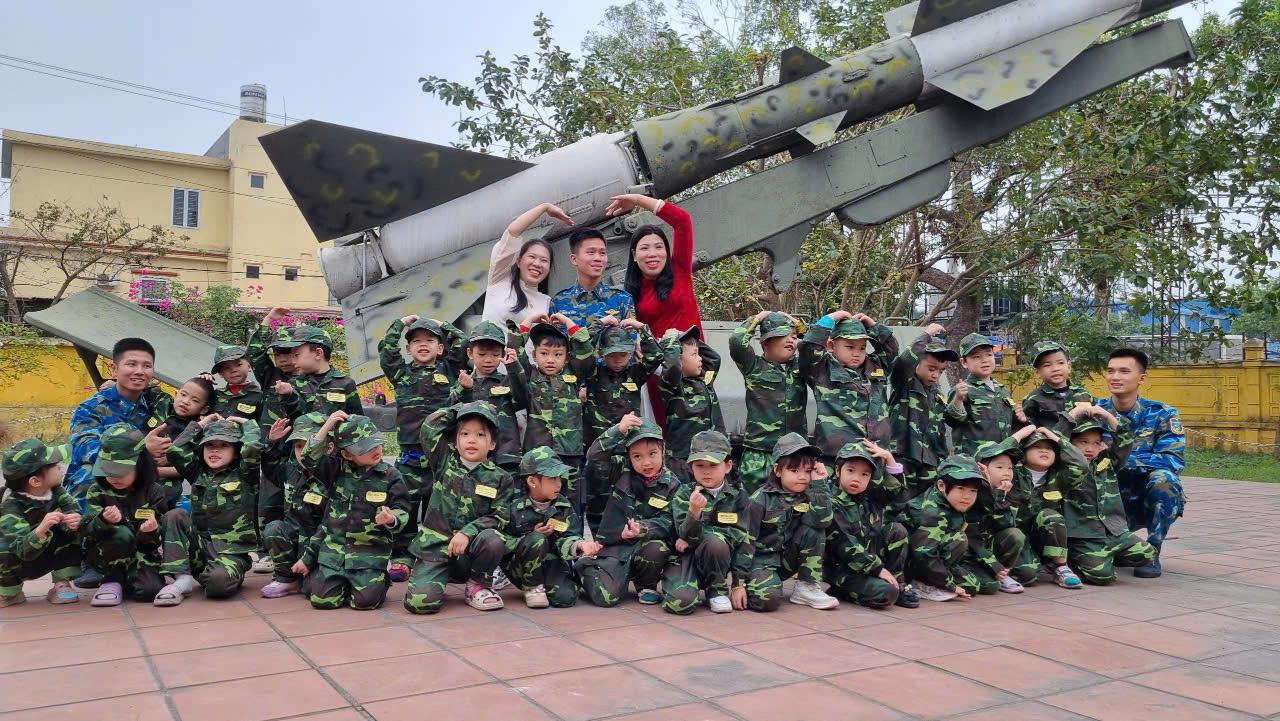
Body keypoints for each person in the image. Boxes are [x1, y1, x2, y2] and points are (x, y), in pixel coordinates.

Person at [67, 337, 171, 588]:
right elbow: (84, 448)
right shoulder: (93, 407)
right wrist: (140, 450)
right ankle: (90, 555)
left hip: (145, 477)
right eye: (131, 364)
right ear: (114, 369)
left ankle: (163, 552)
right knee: (87, 475)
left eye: (147, 366)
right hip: (108, 476)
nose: (139, 371)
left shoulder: (157, 403)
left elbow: (189, 411)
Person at [379, 314, 467, 581]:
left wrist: (442, 325)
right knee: (403, 505)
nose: (423, 345)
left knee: (438, 509)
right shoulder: (401, 373)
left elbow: (462, 343)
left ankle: (433, 557)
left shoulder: (449, 370)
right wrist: (400, 323)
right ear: (408, 349)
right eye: (416, 341)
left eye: (430, 340)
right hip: (410, 456)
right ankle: (402, 558)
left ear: (440, 348)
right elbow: (386, 350)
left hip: (440, 457)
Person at [405, 401, 515, 614]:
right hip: (436, 548)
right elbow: (429, 427)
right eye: (464, 434)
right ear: (456, 441)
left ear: (492, 444)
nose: (471, 440)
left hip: (471, 551)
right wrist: (462, 408)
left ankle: (477, 585)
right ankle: (437, 578)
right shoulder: (444, 462)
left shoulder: (501, 478)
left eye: (480, 435)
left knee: (493, 538)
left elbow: (499, 517)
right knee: (420, 604)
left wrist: (467, 532)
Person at [293, 413, 409, 610]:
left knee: (365, 603)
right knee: (322, 601)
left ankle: (378, 581)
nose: (375, 450)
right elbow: (309, 458)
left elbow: (402, 508)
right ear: (347, 454)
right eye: (365, 447)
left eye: (376, 443)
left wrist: (391, 518)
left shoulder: (391, 476)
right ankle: (336, 581)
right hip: (334, 554)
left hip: (368, 555)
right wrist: (327, 425)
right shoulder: (335, 471)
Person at [610, 193, 703, 423]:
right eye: (644, 248)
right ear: (634, 255)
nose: (652, 254)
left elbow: (683, 221)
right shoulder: (629, 293)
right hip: (660, 372)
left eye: (658, 247)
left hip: (694, 365)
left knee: (700, 430)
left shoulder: (680, 269)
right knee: (665, 429)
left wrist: (637, 199)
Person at [1096, 347, 1186, 578]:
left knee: (1164, 480)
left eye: (1124, 371)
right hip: (1105, 497)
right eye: (1111, 371)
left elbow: (1171, 460)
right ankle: (1113, 545)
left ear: (1142, 378)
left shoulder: (1162, 414)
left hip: (1143, 497)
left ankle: (1152, 550)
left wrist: (1115, 459)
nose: (1115, 377)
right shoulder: (1095, 412)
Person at [579, 414, 683, 607]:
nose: (646, 463)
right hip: (614, 548)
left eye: (652, 454)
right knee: (606, 598)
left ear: (663, 450)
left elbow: (670, 521)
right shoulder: (618, 470)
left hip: (644, 545)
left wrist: (642, 529)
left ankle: (646, 585)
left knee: (657, 547)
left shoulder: (672, 484)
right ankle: (584, 566)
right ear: (628, 456)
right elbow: (594, 457)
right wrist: (617, 431)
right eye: (637, 456)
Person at [156, 415, 261, 606]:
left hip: (231, 552)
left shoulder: (245, 474)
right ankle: (182, 578)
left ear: (236, 451)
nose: (214, 450)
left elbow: (253, 447)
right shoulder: (197, 472)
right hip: (200, 548)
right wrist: (201, 424)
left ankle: (221, 574)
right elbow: (175, 450)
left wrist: (248, 424)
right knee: (175, 515)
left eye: (224, 445)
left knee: (217, 586)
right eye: (209, 445)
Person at [1057, 405, 1158, 585]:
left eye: (1096, 443)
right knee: (1102, 576)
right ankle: (1076, 559)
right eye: (1083, 442)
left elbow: (1125, 440)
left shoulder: (1107, 462)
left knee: (1148, 553)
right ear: (1071, 442)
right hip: (1084, 535)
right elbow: (1056, 439)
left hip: (1113, 532)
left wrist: (1106, 415)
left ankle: (1105, 556)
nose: (1090, 448)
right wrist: (1074, 413)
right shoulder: (1063, 465)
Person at [508, 315, 596, 511]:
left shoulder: (573, 375)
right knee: (536, 499)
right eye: (544, 353)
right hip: (538, 451)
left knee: (570, 501)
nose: (550, 360)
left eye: (558, 354)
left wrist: (567, 322)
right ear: (534, 355)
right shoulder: (530, 375)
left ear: (567, 357)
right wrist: (530, 320)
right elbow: (514, 350)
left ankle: (571, 530)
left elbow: (586, 355)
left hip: (569, 451)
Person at [742, 433, 839, 611]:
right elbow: (745, 543)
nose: (802, 477)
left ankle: (806, 586)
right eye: (794, 471)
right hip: (762, 562)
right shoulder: (759, 500)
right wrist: (738, 583)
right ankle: (763, 584)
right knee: (768, 600)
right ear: (778, 470)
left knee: (815, 529)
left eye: (807, 471)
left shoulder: (811, 493)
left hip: (788, 560)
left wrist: (819, 484)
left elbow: (822, 522)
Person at [663, 430, 753, 615]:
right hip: (686, 558)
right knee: (681, 604)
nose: (706, 471)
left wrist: (739, 584)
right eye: (699, 465)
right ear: (691, 467)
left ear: (728, 466)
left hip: (717, 560)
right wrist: (694, 511)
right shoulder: (685, 493)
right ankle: (685, 586)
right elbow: (681, 534)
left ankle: (717, 591)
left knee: (715, 543)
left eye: (713, 465)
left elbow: (742, 539)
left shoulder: (739, 497)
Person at [502, 447, 601, 608]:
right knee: (537, 538)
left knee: (566, 598)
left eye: (560, 478)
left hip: (551, 561)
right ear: (532, 481)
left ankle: (550, 583)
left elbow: (569, 535)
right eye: (552, 478)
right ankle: (532, 587)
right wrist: (528, 539)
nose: (559, 484)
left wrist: (580, 545)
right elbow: (502, 541)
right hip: (520, 567)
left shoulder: (564, 506)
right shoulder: (515, 508)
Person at [825, 440, 918, 609]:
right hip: (844, 569)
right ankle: (842, 590)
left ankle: (898, 583)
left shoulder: (869, 497)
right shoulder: (831, 502)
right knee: (887, 593)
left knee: (896, 530)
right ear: (838, 470)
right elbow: (846, 545)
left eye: (865, 474)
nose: (856, 478)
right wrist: (878, 569)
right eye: (850, 470)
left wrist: (889, 458)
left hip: (869, 561)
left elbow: (897, 493)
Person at [82, 425, 169, 606]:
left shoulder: (154, 492)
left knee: (149, 592)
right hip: (107, 554)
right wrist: (103, 520)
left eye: (121, 470)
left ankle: (129, 578)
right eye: (109, 470)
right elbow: (86, 531)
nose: (115, 477)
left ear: (140, 465)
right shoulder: (97, 491)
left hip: (142, 552)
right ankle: (112, 579)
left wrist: (151, 531)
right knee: (120, 533)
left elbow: (155, 540)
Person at [801, 310, 898, 462]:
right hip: (837, 458)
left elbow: (891, 350)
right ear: (831, 346)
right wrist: (831, 318)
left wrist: (873, 326)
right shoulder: (821, 369)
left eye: (862, 348)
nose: (857, 353)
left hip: (875, 455)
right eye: (850, 347)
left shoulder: (876, 366)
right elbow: (809, 349)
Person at [260, 413, 339, 599]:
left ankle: (309, 575)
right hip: (297, 538)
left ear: (328, 447)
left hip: (323, 543)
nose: (302, 453)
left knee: (312, 589)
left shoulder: (334, 475)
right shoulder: (292, 470)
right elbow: (270, 468)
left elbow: (330, 526)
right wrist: (272, 443)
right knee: (274, 529)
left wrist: (309, 557)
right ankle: (287, 579)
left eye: (309, 445)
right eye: (298, 446)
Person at [731, 311, 809, 494]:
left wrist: (797, 323)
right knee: (753, 503)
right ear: (765, 343)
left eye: (794, 336)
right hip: (760, 454)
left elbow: (816, 344)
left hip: (794, 455)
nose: (790, 340)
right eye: (783, 335)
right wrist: (758, 318)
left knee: (794, 503)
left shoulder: (801, 367)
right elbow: (737, 341)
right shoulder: (754, 366)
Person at [0, 439, 80, 607]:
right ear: (35, 481)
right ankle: (10, 593)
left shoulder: (56, 490)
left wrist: (74, 518)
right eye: (55, 466)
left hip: (48, 554)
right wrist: (40, 530)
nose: (61, 467)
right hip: (20, 561)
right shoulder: (11, 506)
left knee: (71, 529)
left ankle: (62, 582)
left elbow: (73, 507)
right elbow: (20, 549)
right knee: (3, 545)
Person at [899, 456, 985, 602]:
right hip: (911, 563)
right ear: (941, 485)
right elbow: (923, 553)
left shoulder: (951, 500)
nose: (967, 496)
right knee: (958, 538)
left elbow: (984, 511)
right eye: (960, 488)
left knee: (973, 586)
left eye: (973, 491)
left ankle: (937, 578)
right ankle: (922, 583)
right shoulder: (933, 511)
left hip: (932, 556)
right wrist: (949, 584)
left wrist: (991, 487)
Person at [887, 324, 957, 499]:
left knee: (928, 506)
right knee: (899, 503)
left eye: (941, 371)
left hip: (930, 462)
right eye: (931, 369)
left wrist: (943, 461)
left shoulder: (938, 395)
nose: (936, 375)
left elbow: (940, 432)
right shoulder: (905, 384)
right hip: (903, 457)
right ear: (917, 363)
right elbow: (902, 363)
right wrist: (925, 335)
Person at [458, 321, 526, 475]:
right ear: (470, 353)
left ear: (503, 354)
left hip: (506, 456)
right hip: (472, 458)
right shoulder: (464, 381)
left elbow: (523, 402)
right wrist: (464, 389)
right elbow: (450, 411)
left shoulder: (507, 380)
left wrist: (514, 369)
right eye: (481, 354)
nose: (488, 360)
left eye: (495, 355)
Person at [482, 202, 566, 328]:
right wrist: (544, 207)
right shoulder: (499, 279)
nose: (537, 264)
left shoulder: (545, 302)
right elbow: (512, 232)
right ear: (519, 262)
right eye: (532, 257)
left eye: (544, 260)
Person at [584, 318, 662, 451]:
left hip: (628, 443)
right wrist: (599, 323)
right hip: (598, 444)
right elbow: (582, 349)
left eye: (623, 355)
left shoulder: (635, 374)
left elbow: (656, 356)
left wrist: (641, 327)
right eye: (612, 355)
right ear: (601, 354)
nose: (618, 360)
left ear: (630, 353)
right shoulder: (593, 373)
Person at [946, 333, 1029, 455]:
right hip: (975, 459)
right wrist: (958, 399)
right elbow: (952, 422)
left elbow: (1010, 425)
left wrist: (1021, 418)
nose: (984, 360)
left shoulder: (1002, 390)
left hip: (1003, 457)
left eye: (989, 354)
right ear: (964, 362)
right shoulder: (962, 390)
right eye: (976, 356)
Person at [657, 326, 724, 463]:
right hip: (684, 458)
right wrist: (671, 340)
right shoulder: (672, 385)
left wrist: (690, 339)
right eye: (694, 354)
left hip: (713, 453)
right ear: (679, 360)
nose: (700, 358)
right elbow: (672, 366)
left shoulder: (704, 379)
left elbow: (714, 358)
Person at [549, 227, 635, 328]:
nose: (598, 258)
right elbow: (551, 338)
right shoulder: (559, 302)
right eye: (590, 252)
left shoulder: (622, 299)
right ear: (574, 259)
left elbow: (631, 337)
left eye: (602, 253)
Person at [275, 325, 363, 418]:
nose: (293, 361)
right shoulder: (294, 384)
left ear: (318, 354)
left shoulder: (345, 383)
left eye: (296, 355)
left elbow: (357, 419)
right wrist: (289, 395)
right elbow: (293, 417)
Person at [1022, 341, 1093, 429]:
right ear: (1037, 371)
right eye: (1047, 365)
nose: (1055, 369)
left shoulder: (1084, 394)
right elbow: (1029, 430)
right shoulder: (1033, 399)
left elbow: (1093, 425)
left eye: (1060, 363)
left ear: (1069, 367)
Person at [210, 345, 263, 421]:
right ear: (220, 373)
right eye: (227, 367)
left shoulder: (260, 397)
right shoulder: (215, 395)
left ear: (249, 366)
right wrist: (202, 381)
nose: (233, 370)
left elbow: (263, 426)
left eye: (238, 365)